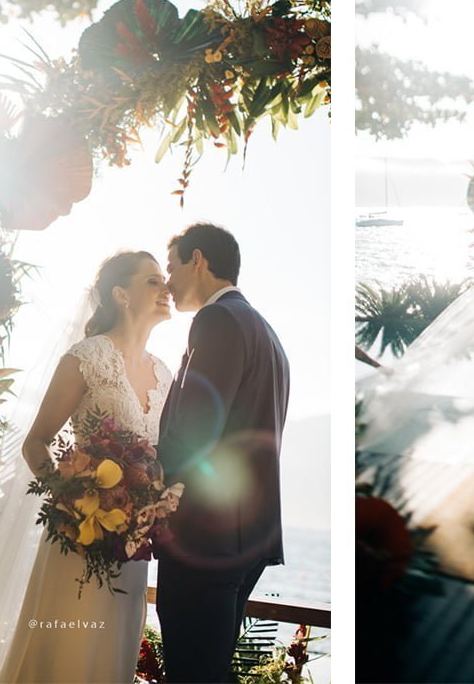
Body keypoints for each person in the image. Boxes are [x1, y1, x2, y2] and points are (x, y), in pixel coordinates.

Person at [0, 250, 175, 683]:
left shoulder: (165, 373)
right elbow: (35, 443)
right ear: (121, 295)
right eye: (153, 280)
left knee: (111, 655)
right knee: (64, 652)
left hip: (131, 550)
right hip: (77, 539)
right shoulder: (87, 357)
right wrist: (75, 500)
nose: (166, 287)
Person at [155, 223, 290, 683]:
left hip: (205, 534)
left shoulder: (216, 322)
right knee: (207, 670)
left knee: (192, 672)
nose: (167, 281)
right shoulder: (266, 332)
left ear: (197, 260)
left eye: (171, 266)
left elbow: (194, 430)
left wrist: (139, 492)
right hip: (247, 535)